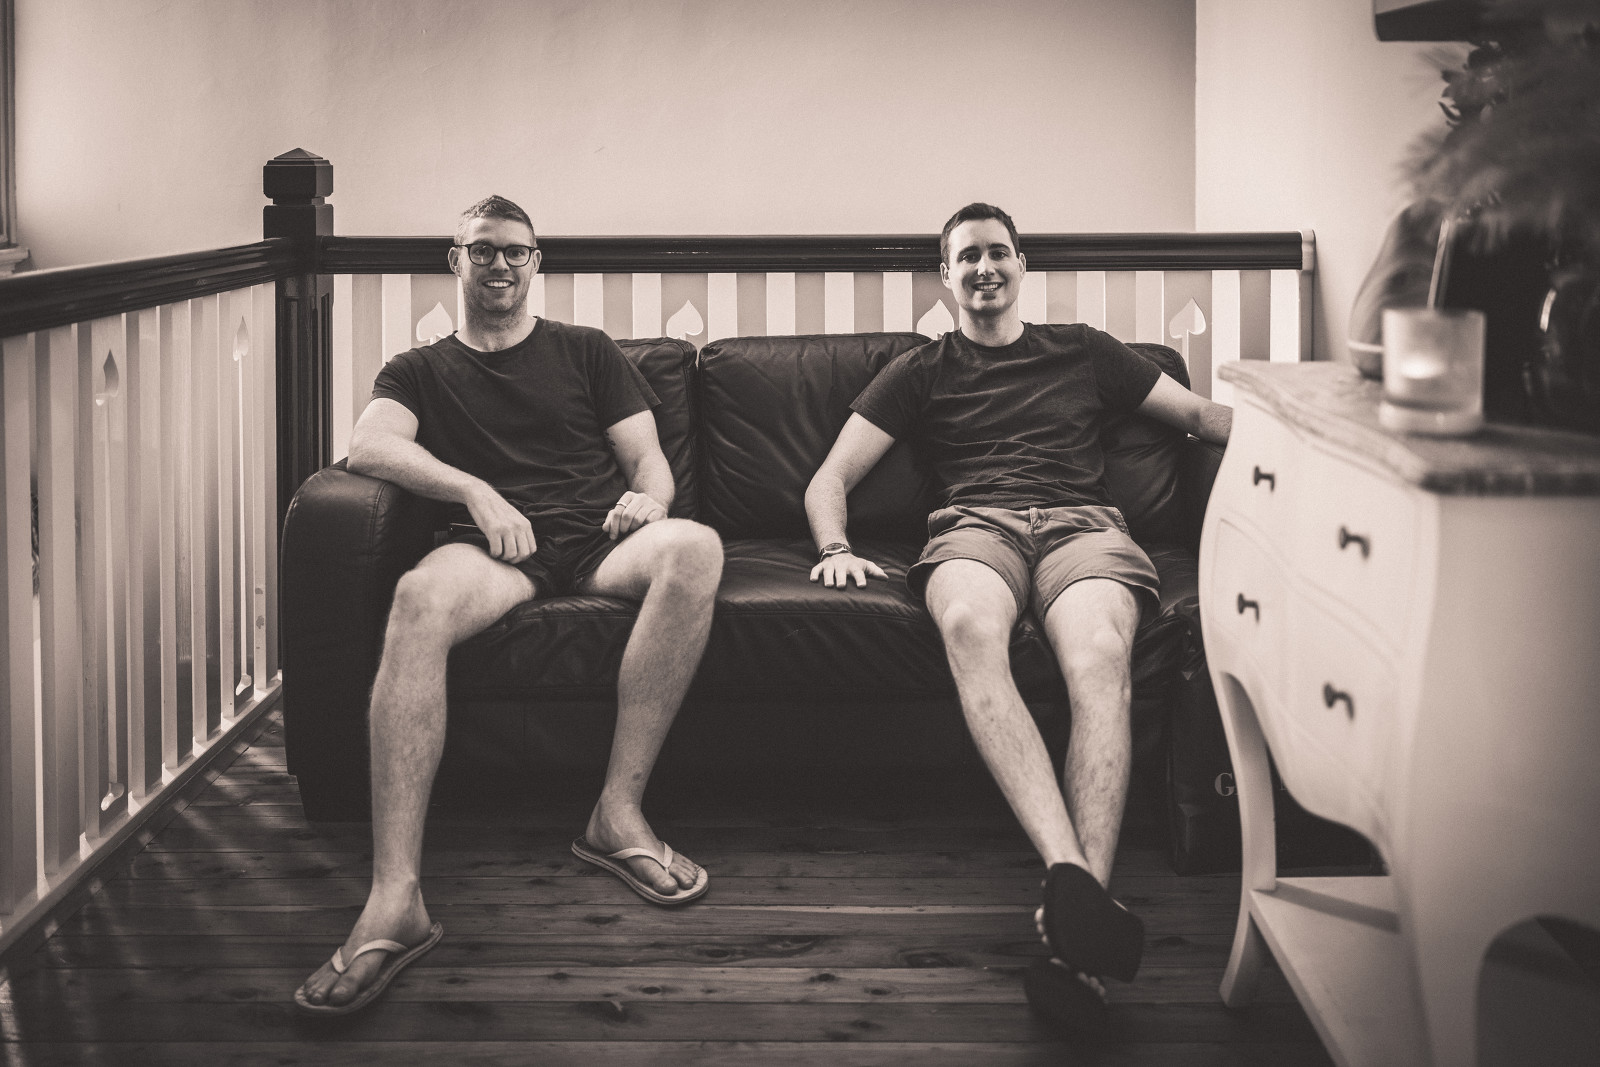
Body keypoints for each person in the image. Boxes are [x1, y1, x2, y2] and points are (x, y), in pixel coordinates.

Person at [804, 203, 1231, 1034]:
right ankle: (1075, 878)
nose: (984, 267)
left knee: (1100, 654)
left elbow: (1201, 418)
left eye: (998, 252)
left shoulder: (1084, 349)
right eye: (967, 256)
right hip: (974, 529)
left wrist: (1309, 448)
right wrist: (834, 546)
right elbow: (830, 478)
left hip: (1084, 527)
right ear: (946, 276)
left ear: (1022, 265)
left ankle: (1079, 918)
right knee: (968, 626)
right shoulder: (920, 369)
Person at [295, 196, 723, 1016]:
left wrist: (649, 501)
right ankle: (395, 897)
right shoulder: (417, 370)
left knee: (697, 549)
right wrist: (475, 490)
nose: (500, 264)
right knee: (417, 597)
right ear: (455, 259)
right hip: (498, 551)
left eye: (515, 251)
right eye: (484, 249)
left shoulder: (587, 350)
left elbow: (650, 464)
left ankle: (616, 813)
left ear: (537, 261)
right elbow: (368, 445)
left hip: (599, 539)